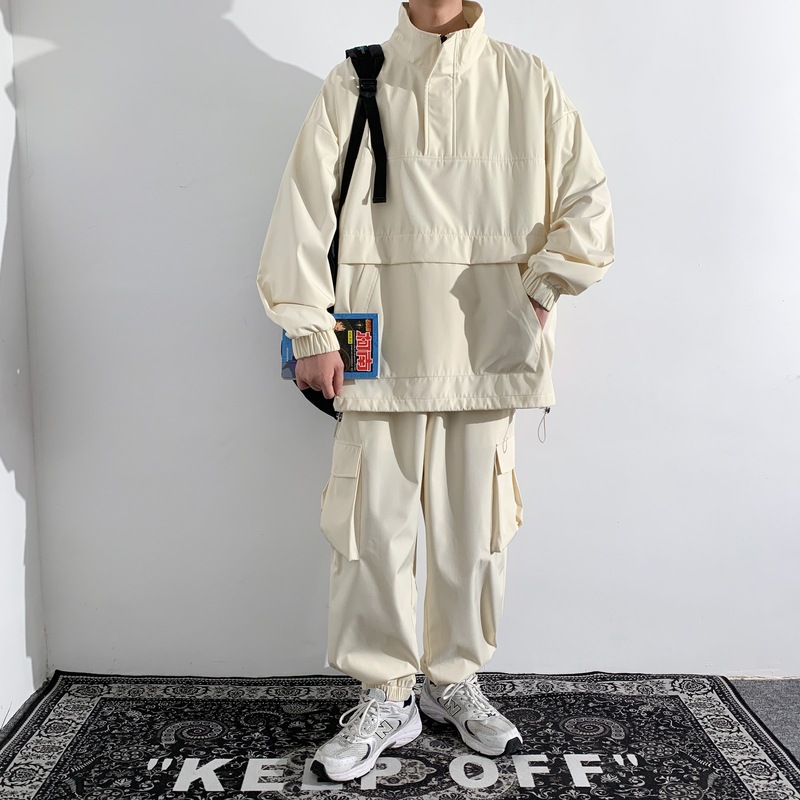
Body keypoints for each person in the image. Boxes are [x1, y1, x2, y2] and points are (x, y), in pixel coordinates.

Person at [256, 0, 614, 783]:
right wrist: (310, 331)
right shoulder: (357, 78)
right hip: (377, 341)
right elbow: (302, 213)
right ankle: (387, 692)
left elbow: (587, 204)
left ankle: (454, 679)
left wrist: (538, 293)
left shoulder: (526, 80)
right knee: (371, 529)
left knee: (473, 529)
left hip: (488, 345)